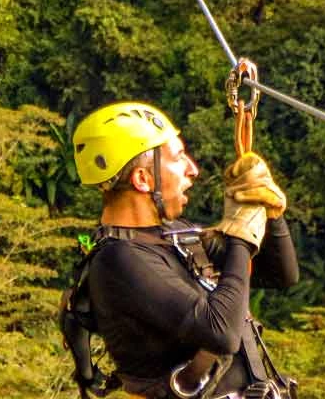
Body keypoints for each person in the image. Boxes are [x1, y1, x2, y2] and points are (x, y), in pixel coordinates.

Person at [61, 102, 300, 399]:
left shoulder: (176, 237)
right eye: (178, 158)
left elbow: (280, 274)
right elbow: (222, 332)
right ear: (143, 179)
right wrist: (241, 234)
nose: (193, 170)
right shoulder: (120, 260)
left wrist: (269, 212)